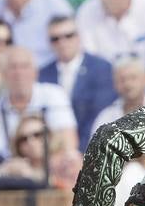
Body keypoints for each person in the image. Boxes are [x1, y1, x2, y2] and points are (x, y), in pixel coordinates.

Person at [39, 16, 117, 150]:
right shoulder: (43, 74)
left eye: (68, 36)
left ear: (79, 37)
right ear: (49, 42)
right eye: (55, 39)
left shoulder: (101, 69)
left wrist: (80, 152)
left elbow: (100, 115)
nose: (62, 42)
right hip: (52, 151)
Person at [0, 46, 77, 155]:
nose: (19, 73)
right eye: (13, 67)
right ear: (3, 74)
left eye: (24, 66)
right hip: (9, 164)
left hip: (51, 162)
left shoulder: (53, 94)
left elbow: (69, 142)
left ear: (35, 72)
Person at [0, 112, 82, 190]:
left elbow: (75, 192)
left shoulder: (67, 161)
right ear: (18, 146)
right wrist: (5, 171)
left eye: (37, 135)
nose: (31, 142)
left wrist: (33, 177)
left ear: (49, 136)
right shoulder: (16, 168)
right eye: (24, 139)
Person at [90, 56, 145, 137]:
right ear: (115, 84)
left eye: (133, 78)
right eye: (122, 80)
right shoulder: (106, 117)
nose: (128, 84)